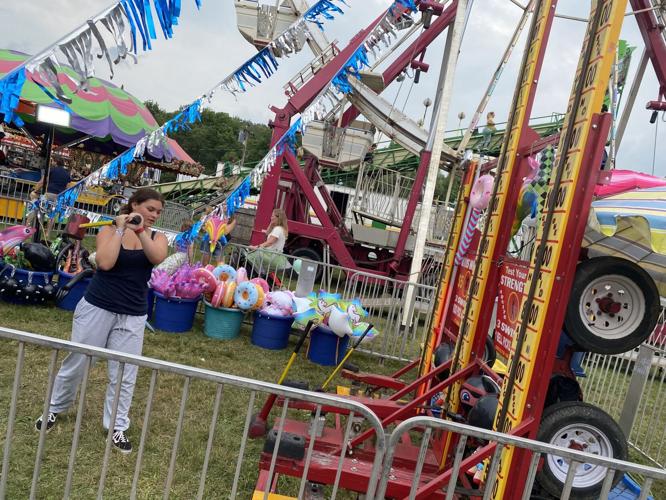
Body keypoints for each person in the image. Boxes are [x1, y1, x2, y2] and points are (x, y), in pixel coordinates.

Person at [35, 188, 168, 454]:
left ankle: (116, 426)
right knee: (77, 361)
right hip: (98, 306)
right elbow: (105, 263)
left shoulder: (156, 237)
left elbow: (157, 257)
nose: (154, 215)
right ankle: (53, 409)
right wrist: (120, 230)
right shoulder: (108, 230)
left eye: (158, 212)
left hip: (133, 313)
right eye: (150, 209)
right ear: (134, 204)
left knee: (124, 372)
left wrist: (140, 231)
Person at [30, 160, 72, 236]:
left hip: (49, 193)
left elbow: (44, 181)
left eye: (53, 162)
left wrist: (36, 190)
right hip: (59, 196)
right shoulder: (67, 174)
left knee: (41, 210)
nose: (52, 163)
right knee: (52, 215)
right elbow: (68, 187)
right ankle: (47, 233)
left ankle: (39, 230)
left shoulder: (52, 170)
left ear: (56, 163)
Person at [247, 208, 290, 273]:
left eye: (272, 216)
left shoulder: (278, 229)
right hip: (274, 256)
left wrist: (256, 247)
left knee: (248, 257)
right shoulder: (280, 229)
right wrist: (271, 223)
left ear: (278, 217)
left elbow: (269, 242)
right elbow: (267, 233)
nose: (271, 217)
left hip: (270, 255)